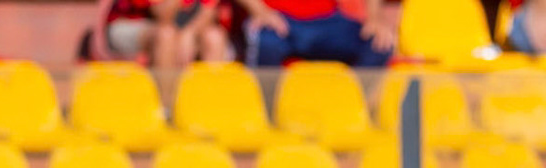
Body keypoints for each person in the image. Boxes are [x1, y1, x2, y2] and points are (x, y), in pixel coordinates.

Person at [240, 0, 394, 67]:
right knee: (266, 43)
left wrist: (374, 18)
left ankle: (350, 109)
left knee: (380, 43)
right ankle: (267, 118)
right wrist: (260, 11)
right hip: (277, 22)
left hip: (327, 23)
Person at [97, 0, 234, 64]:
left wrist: (189, 34)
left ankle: (209, 107)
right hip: (128, 24)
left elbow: (208, 12)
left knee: (214, 37)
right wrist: (182, 37)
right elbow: (163, 16)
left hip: (178, 29)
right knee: (166, 36)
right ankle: (167, 109)